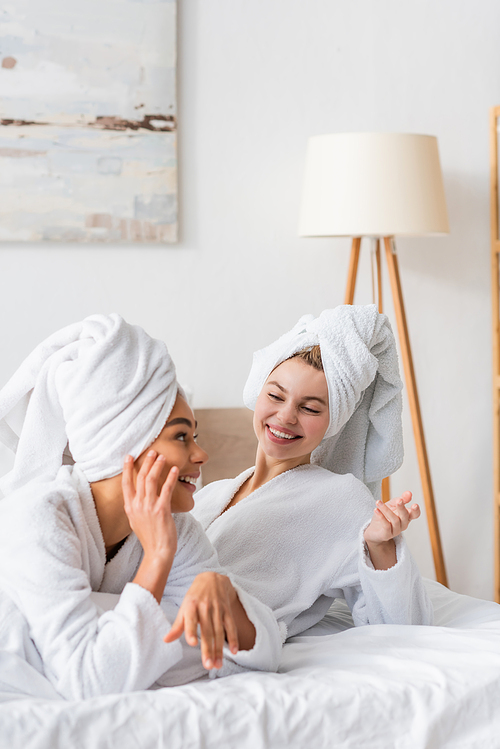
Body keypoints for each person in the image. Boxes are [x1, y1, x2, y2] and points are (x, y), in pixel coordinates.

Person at [0, 314, 281, 700]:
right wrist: (157, 559)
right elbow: (90, 681)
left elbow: (262, 653)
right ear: (126, 445)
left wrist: (223, 593)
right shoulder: (41, 518)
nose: (201, 454)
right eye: (181, 436)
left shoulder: (177, 525)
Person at [174, 305, 433, 644]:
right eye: (275, 396)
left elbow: (404, 624)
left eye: (309, 408)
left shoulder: (340, 498)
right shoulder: (211, 494)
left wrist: (379, 546)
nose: (285, 416)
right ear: (258, 393)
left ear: (333, 420)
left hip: (212, 643)